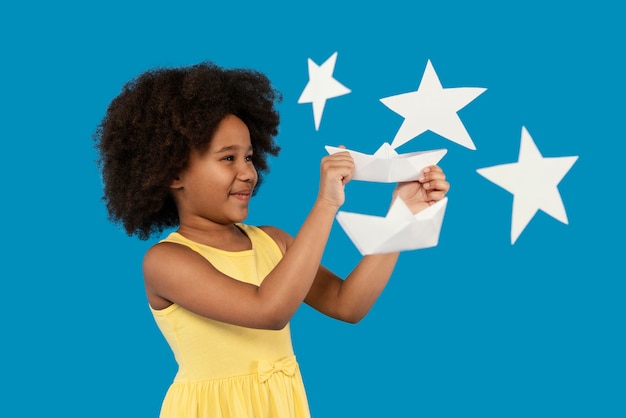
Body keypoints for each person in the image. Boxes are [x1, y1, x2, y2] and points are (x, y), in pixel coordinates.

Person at [93, 61, 450, 418]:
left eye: (248, 157)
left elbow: (347, 304)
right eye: (228, 158)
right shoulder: (166, 261)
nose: (248, 172)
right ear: (172, 171)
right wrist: (326, 203)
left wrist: (402, 215)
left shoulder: (273, 242)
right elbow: (270, 309)